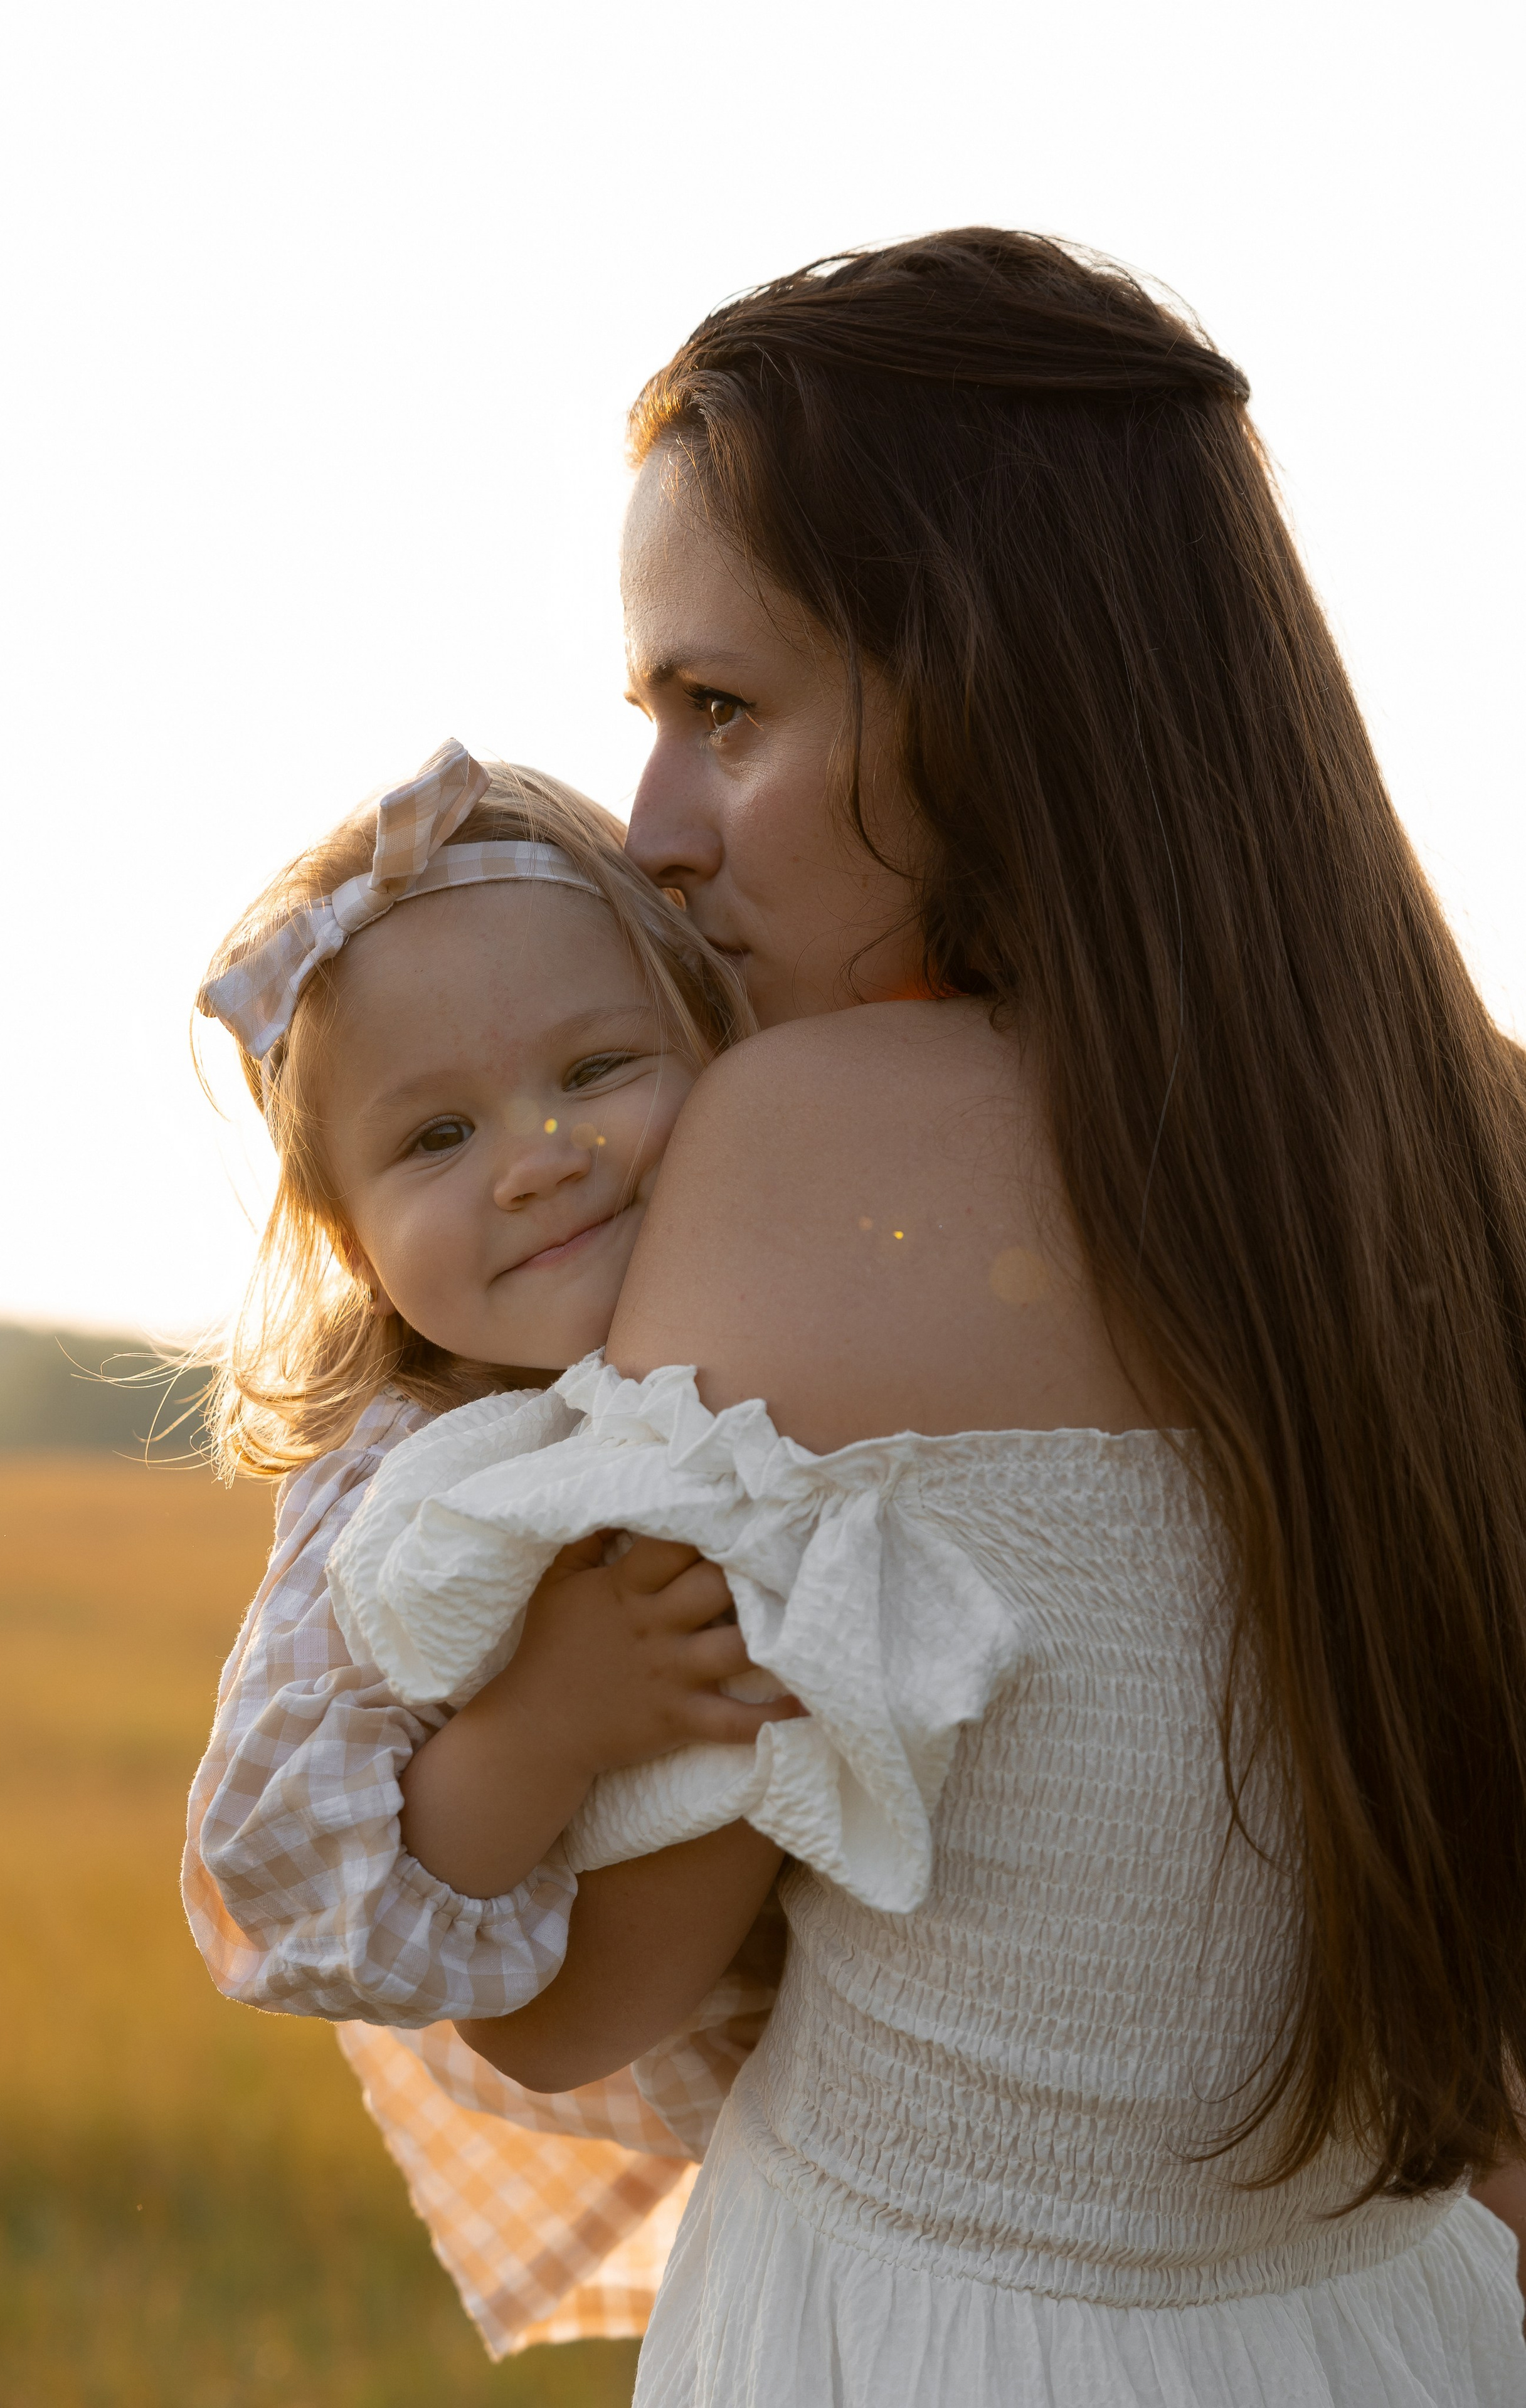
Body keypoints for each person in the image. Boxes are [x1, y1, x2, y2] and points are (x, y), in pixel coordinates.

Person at [436, 231, 1526, 2402]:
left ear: (986, 688)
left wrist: (488, 1716)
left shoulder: (800, 1142)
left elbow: (575, 2008)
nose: (653, 832)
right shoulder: (1478, 1146)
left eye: (724, 711)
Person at [181, 740, 793, 2352]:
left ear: (717, 1040)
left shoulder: (801, 1311)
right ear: (352, 1244)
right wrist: (552, 1717)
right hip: (782, 2126)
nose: (536, 1158)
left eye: (595, 1069)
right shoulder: (408, 1481)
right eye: (436, 1137)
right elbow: (300, 1860)